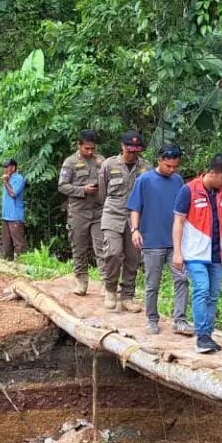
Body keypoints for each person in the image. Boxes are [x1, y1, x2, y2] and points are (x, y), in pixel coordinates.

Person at [172, 153, 222, 354]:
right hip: (194, 253)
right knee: (201, 288)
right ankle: (201, 336)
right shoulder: (188, 190)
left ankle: (208, 334)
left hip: (217, 253)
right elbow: (178, 222)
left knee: (213, 294)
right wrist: (177, 252)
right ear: (211, 173)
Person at [128, 144, 193, 336]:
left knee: (181, 279)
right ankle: (152, 319)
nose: (171, 170)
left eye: (175, 166)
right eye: (168, 166)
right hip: (152, 241)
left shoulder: (178, 180)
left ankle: (180, 320)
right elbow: (135, 207)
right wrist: (135, 230)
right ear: (159, 161)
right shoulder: (144, 180)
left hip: (175, 242)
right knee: (152, 283)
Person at [98, 131, 149, 311]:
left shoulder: (145, 167)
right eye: (129, 151)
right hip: (112, 213)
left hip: (135, 217)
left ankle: (127, 296)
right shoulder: (108, 164)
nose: (133, 155)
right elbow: (102, 193)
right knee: (113, 251)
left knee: (133, 257)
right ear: (122, 147)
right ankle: (110, 288)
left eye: (136, 151)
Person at [57, 129, 104, 295]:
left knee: (102, 248)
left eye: (92, 148)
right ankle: (81, 281)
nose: (90, 152)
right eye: (87, 148)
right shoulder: (70, 162)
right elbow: (62, 186)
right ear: (79, 145)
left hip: (98, 211)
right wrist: (82, 190)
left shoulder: (101, 161)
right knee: (79, 248)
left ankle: (106, 284)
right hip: (78, 212)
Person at [0, 158, 27, 260]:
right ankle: (8, 264)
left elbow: (13, 194)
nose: (4, 169)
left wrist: (6, 182)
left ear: (13, 167)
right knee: (6, 244)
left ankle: (23, 264)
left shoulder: (19, 179)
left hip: (15, 216)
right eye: (4, 167)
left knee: (19, 244)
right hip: (6, 216)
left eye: (6, 167)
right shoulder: (7, 178)